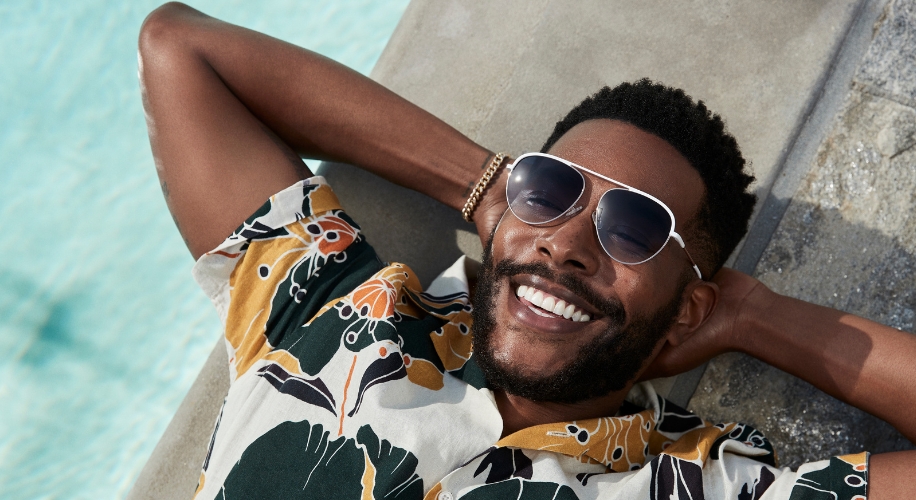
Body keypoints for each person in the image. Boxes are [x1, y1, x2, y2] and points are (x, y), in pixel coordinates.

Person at [138, 3, 915, 499]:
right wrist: (487, 189)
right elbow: (182, 50)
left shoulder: (699, 486)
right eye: (552, 191)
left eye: (636, 230)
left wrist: (753, 317)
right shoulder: (334, 316)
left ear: (689, 306)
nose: (568, 244)